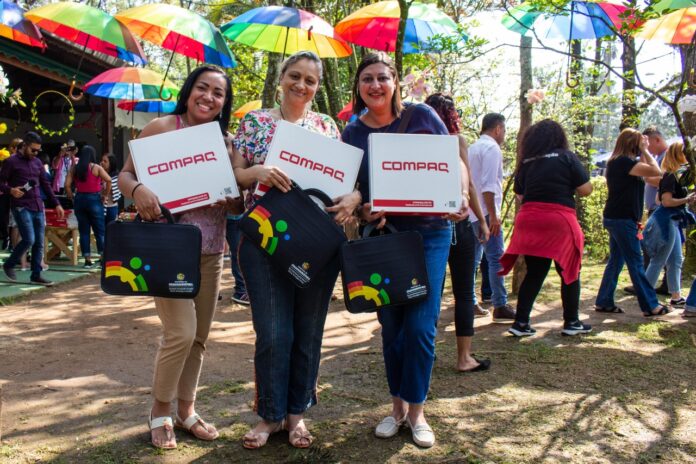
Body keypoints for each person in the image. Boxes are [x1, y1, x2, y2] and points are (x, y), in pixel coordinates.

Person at [232, 50, 360, 450]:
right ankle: (270, 415)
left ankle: (297, 414)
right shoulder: (254, 122)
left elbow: (346, 181)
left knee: (308, 331)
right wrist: (256, 172)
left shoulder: (325, 126)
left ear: (317, 87)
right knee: (273, 332)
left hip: (316, 241)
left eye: (310, 80)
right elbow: (233, 175)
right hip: (265, 237)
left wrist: (351, 199)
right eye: (295, 76)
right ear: (281, 78)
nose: (301, 85)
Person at [342, 52, 468, 448]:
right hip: (385, 238)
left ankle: (417, 411)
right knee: (392, 327)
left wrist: (461, 193)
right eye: (367, 80)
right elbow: (354, 191)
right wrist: (364, 209)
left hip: (430, 235)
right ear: (359, 88)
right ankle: (396, 408)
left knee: (419, 326)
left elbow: (454, 162)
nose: (375, 85)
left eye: (382, 77)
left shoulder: (423, 117)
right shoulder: (352, 133)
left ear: (395, 81)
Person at [118, 65, 241, 450]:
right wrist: (137, 189)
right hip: (168, 249)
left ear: (224, 102)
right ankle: (160, 412)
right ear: (189, 92)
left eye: (217, 92)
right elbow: (123, 175)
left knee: (200, 338)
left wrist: (232, 198)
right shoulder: (160, 129)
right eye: (202, 88)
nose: (208, 97)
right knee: (181, 333)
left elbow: (237, 206)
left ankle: (187, 411)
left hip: (210, 252)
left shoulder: (227, 142)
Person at [499, 119, 593, 336]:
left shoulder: (527, 162)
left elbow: (520, 193)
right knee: (569, 270)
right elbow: (586, 189)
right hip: (559, 218)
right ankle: (572, 322)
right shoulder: (566, 157)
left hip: (529, 219)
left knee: (535, 272)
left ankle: (520, 323)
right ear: (559, 137)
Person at [424, 93, 491, 372]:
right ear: (451, 114)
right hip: (459, 224)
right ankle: (464, 358)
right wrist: (483, 222)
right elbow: (471, 186)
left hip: (429, 224)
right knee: (464, 292)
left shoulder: (416, 142)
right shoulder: (456, 140)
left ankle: (427, 353)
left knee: (431, 294)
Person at [594, 128, 670, 317]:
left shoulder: (619, 162)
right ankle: (651, 305)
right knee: (636, 263)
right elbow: (655, 170)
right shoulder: (623, 162)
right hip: (622, 220)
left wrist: (642, 153)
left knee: (616, 261)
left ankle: (604, 301)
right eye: (639, 143)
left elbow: (647, 174)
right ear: (633, 144)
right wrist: (645, 150)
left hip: (616, 218)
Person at [468, 113, 516, 323]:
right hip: (485, 212)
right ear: (497, 128)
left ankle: (469, 301)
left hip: (471, 212)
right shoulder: (492, 148)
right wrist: (493, 217)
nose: (504, 135)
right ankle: (500, 304)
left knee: (474, 260)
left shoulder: (471, 148)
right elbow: (488, 186)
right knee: (496, 257)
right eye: (504, 130)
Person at [0, 131, 64, 285]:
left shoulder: (37, 163)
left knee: (39, 242)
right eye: (33, 150)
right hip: (21, 206)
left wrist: (56, 203)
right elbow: (1, 182)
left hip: (37, 205)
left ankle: (36, 274)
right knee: (29, 239)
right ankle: (9, 264)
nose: (35, 153)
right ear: (25, 146)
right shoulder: (11, 162)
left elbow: (46, 185)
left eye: (38, 151)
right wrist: (11, 190)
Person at [643, 142, 695, 306]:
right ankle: (647, 297)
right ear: (679, 155)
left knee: (676, 259)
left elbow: (659, 199)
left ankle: (676, 296)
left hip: (672, 220)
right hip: (666, 221)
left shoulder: (674, 176)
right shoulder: (671, 176)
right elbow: (665, 202)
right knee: (659, 260)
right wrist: (686, 199)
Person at [65, 146, 111, 268]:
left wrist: (71, 196)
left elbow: (67, 185)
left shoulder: (74, 168)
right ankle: (103, 259)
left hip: (80, 199)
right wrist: (104, 195)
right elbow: (109, 180)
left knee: (84, 231)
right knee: (99, 231)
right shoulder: (96, 168)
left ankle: (87, 260)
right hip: (94, 199)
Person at [225, 211, 248, 305]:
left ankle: (241, 290)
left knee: (239, 252)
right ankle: (241, 290)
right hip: (210, 217)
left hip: (233, 217)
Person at [100, 153, 121, 225]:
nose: (102, 162)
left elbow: (114, 193)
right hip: (100, 207)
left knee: (111, 231)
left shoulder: (116, 177)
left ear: (111, 164)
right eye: (102, 160)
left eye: (105, 161)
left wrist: (105, 181)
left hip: (111, 207)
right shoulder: (98, 174)